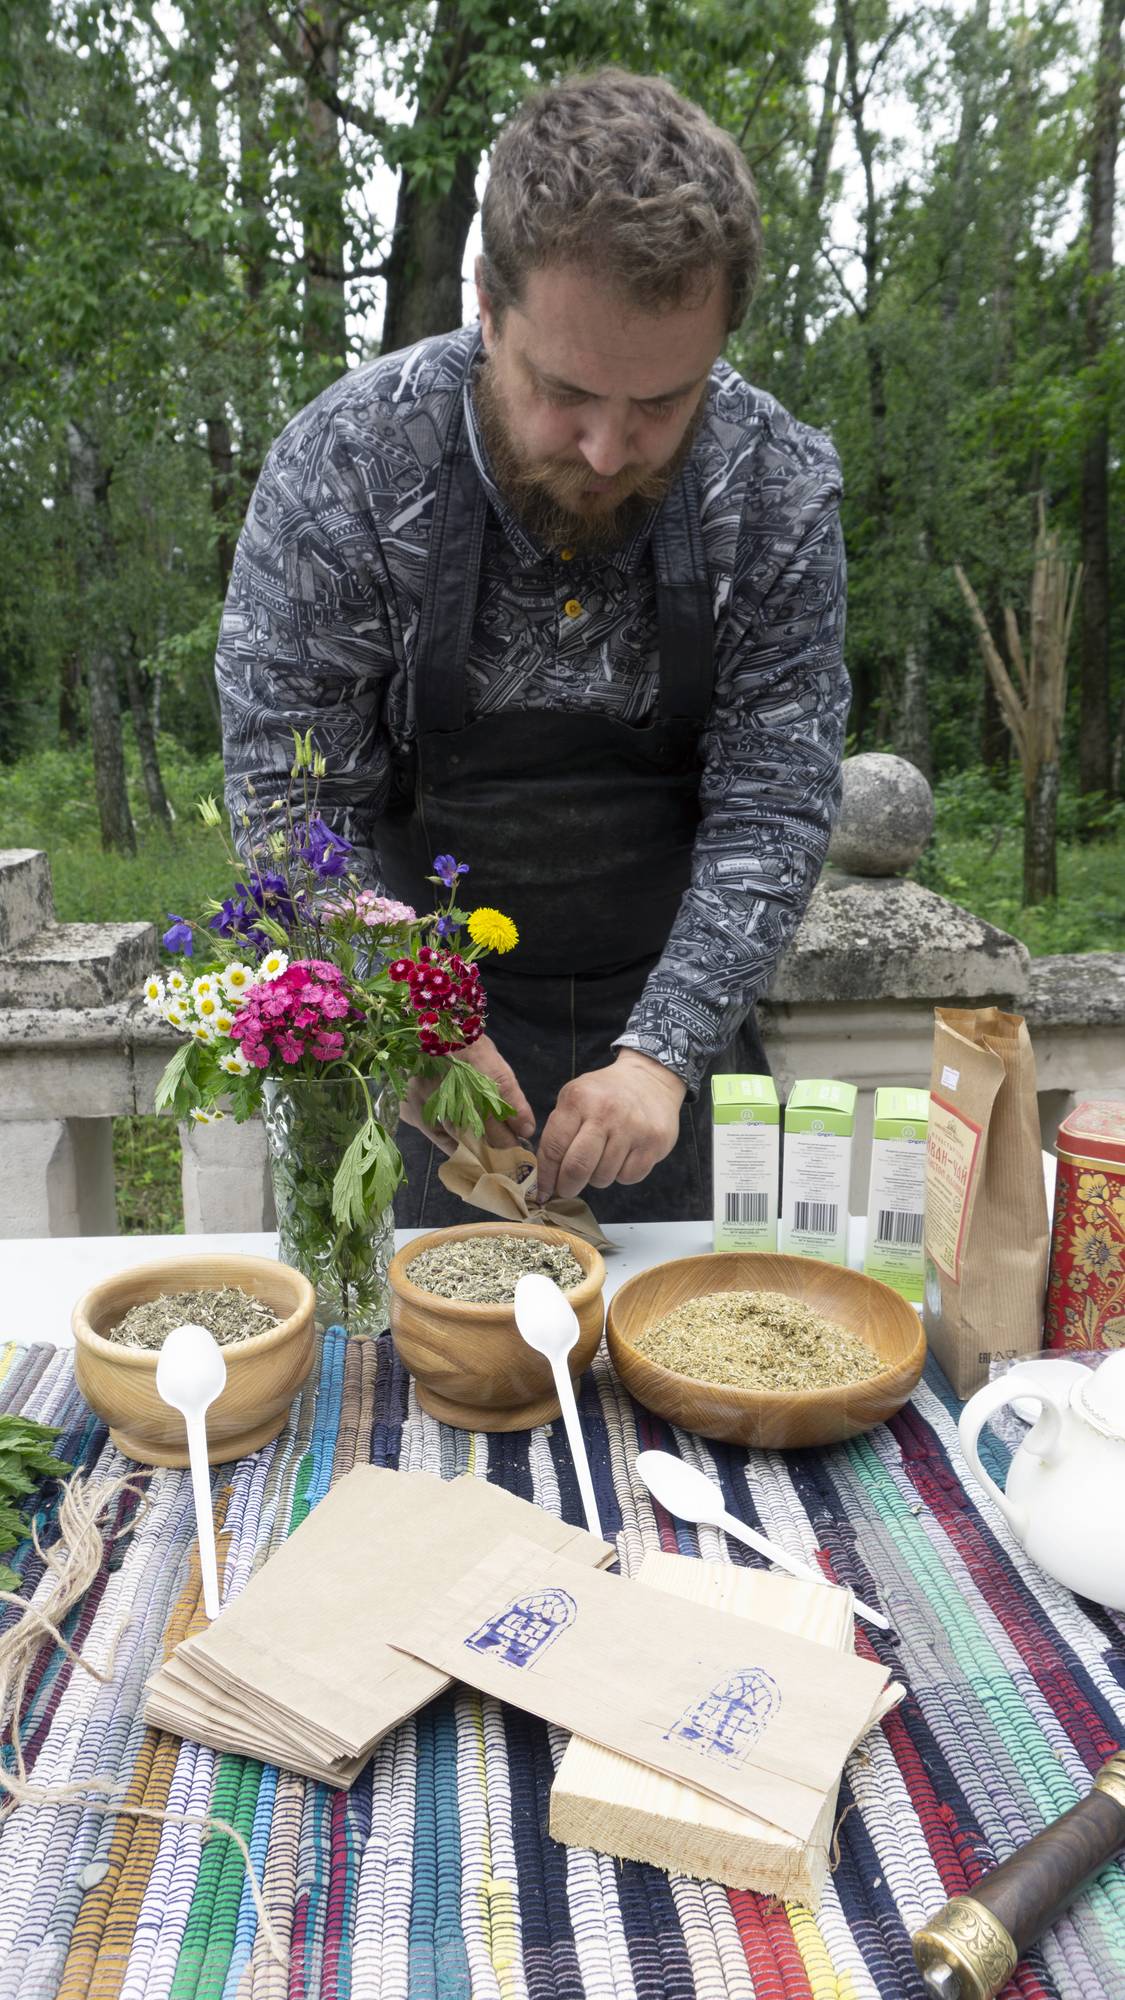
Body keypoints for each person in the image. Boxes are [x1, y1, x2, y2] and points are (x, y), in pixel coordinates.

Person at [216, 68, 850, 1226]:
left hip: (679, 1038)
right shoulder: (344, 470)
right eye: (566, 393)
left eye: (664, 402)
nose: (610, 451)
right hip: (420, 1045)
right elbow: (285, 809)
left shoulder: (776, 486)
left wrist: (662, 1052)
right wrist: (399, 1014)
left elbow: (774, 799)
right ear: (487, 306)